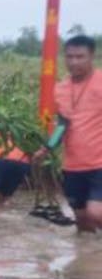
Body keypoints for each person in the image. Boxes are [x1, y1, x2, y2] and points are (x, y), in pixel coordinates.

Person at [36, 35, 102, 232]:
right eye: (69, 57)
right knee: (82, 220)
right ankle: (87, 260)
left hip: (99, 164)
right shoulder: (60, 88)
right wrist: (47, 148)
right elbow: (62, 124)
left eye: (80, 57)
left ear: (92, 56)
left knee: (95, 213)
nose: (74, 62)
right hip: (72, 166)